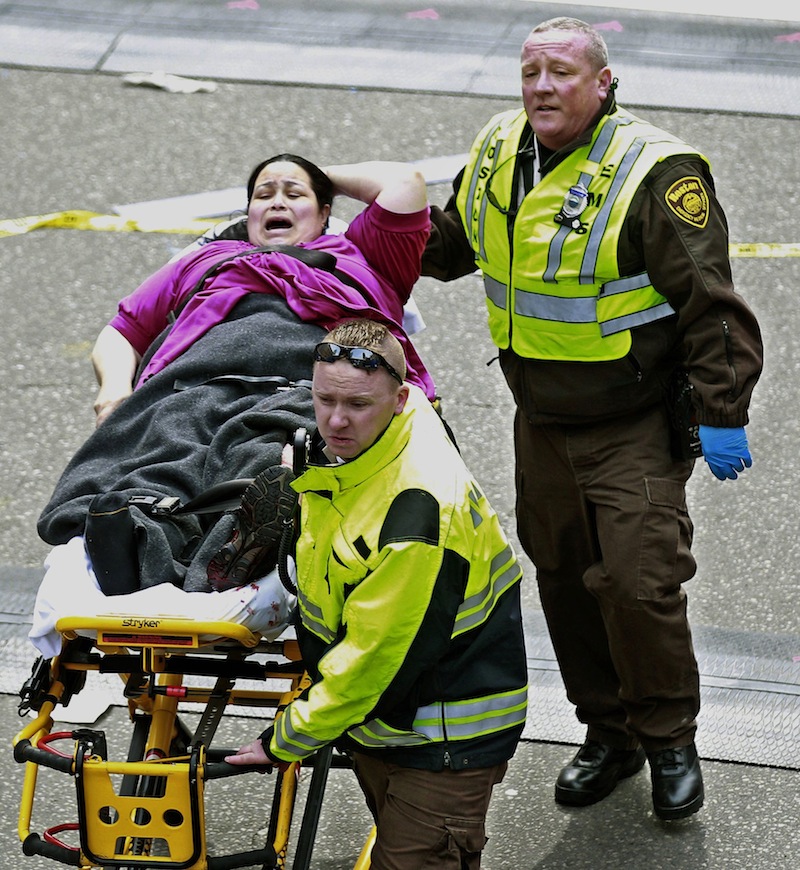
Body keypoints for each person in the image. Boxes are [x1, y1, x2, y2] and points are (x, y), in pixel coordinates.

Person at [421, 17, 763, 821]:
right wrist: (370, 231)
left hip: (633, 420)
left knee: (640, 584)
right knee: (567, 580)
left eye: (561, 73)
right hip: (540, 418)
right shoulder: (504, 145)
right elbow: (449, 246)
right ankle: (609, 735)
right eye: (530, 70)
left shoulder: (656, 172)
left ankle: (670, 740)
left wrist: (721, 410)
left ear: (601, 83)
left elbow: (712, 307)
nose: (541, 86)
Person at [36, 156, 434, 596]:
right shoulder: (205, 261)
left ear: (325, 212)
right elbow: (121, 332)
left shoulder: (366, 257)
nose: (276, 202)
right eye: (263, 196)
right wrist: (113, 392)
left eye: (294, 194)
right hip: (194, 382)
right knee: (162, 458)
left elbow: (406, 184)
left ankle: (230, 554)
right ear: (248, 215)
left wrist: (315, 175)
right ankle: (137, 536)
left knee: (266, 460)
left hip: (305, 387)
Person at [225, 319, 528, 870]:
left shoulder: (419, 507)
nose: (336, 421)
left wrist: (288, 737)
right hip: (387, 721)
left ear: (400, 396)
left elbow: (378, 659)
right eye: (323, 399)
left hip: (440, 740)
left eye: (358, 404)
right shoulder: (368, 448)